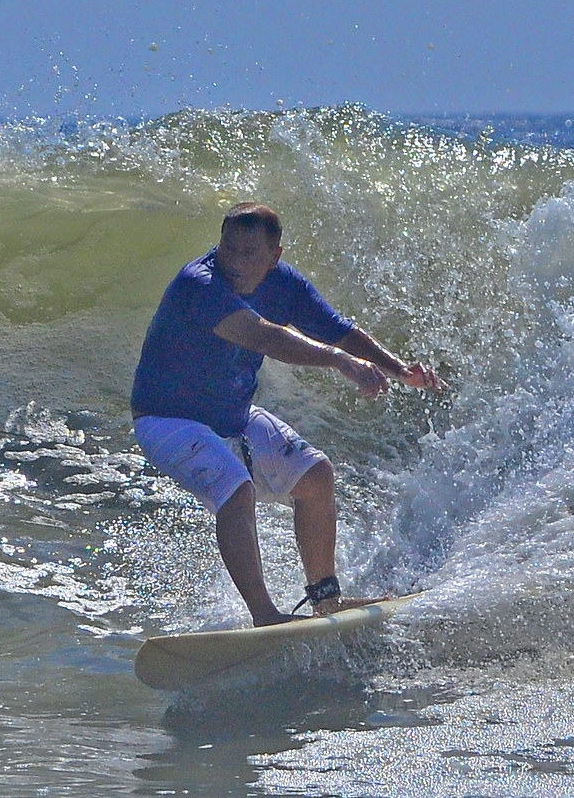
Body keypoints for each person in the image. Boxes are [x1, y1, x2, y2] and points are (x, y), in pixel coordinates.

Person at [131, 202, 446, 626]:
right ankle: (265, 615)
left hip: (233, 417)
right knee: (235, 489)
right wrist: (339, 361)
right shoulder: (199, 285)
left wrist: (399, 370)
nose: (234, 262)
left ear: (274, 256)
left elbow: (337, 329)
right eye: (228, 248)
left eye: (249, 253)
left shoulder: (283, 284)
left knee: (316, 476)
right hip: (166, 419)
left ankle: (327, 601)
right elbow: (264, 337)